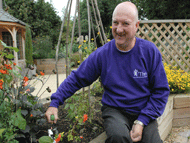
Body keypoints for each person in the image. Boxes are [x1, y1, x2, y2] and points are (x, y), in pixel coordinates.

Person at [45, 1, 170, 143]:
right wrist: (54, 103)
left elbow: (161, 90)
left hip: (143, 110)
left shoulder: (149, 52)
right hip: (115, 110)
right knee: (118, 137)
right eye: (115, 23)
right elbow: (77, 78)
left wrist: (142, 121)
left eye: (125, 23)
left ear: (136, 26)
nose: (119, 29)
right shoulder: (103, 54)